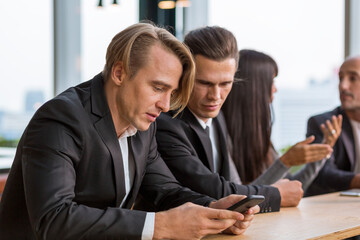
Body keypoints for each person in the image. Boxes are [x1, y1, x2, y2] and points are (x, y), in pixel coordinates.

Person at [0, 23, 258, 240]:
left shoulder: (143, 125)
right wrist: (162, 225)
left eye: (171, 92)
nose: (166, 105)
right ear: (120, 73)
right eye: (158, 88)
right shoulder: (61, 118)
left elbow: (165, 191)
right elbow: (53, 219)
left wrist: (213, 210)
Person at [154, 26, 304, 213]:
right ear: (185, 75)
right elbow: (215, 190)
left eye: (225, 83)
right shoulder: (165, 124)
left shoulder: (217, 117)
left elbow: (232, 185)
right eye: (204, 83)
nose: (215, 96)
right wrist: (275, 194)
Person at [221, 49, 341, 191]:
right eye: (272, 82)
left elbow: (292, 186)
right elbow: (240, 197)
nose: (275, 89)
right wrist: (285, 161)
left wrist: (323, 151)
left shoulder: (259, 136)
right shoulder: (222, 135)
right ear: (256, 86)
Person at [305, 56, 360, 196]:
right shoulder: (321, 123)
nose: (343, 86)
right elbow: (322, 173)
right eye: (341, 78)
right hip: (332, 207)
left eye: (353, 78)